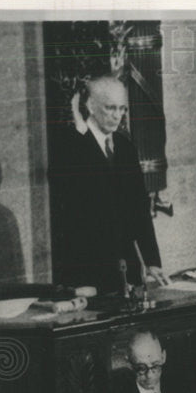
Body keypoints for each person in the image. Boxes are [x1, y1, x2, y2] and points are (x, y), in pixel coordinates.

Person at [49, 74, 167, 293]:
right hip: (86, 270)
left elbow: (138, 209)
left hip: (126, 268)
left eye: (122, 109)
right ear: (91, 106)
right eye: (110, 108)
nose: (117, 116)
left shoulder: (125, 147)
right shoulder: (70, 147)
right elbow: (67, 219)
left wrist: (152, 261)